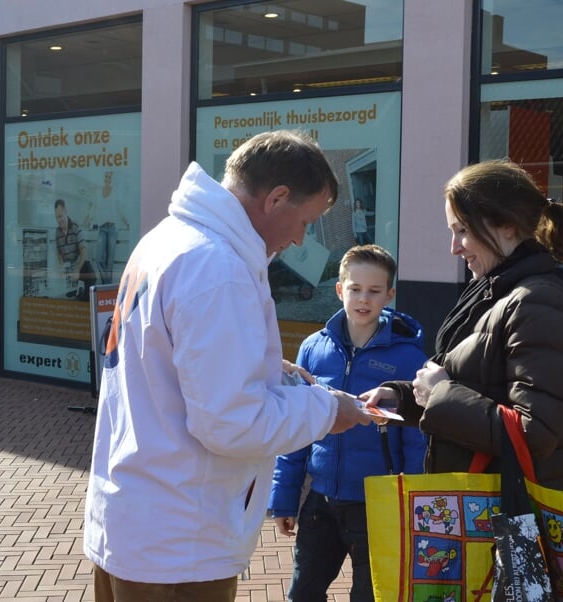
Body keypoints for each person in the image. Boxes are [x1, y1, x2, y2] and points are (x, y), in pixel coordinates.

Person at [84, 130, 371, 602]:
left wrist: (259, 366)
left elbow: (162, 358)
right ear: (276, 198)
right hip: (181, 540)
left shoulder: (167, 240)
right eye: (306, 220)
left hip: (136, 518)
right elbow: (231, 424)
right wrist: (327, 410)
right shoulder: (217, 267)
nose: (301, 239)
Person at [364, 159, 563, 492]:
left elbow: (534, 433)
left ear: (507, 226)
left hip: (514, 517)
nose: (454, 248)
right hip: (484, 506)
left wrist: (439, 394)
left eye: (463, 230)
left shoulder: (538, 302)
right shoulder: (495, 289)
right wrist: (402, 398)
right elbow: (473, 386)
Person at [268, 244, 428, 602]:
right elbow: (296, 427)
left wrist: (411, 503)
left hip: (377, 506)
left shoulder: (408, 356)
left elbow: (416, 439)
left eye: (374, 291)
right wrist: (284, 499)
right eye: (355, 288)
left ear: (390, 294)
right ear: (340, 290)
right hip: (320, 503)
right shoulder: (313, 348)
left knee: (370, 596)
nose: (363, 299)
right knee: (302, 594)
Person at [84, 170, 132, 285]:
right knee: (99, 259)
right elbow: (92, 211)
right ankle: (107, 284)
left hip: (112, 229)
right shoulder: (98, 193)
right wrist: (84, 222)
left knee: (110, 261)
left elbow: (120, 211)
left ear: (112, 179)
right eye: (106, 176)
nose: (108, 178)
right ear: (103, 177)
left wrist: (127, 223)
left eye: (110, 176)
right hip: (102, 229)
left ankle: (107, 286)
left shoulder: (115, 193)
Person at [54, 198, 96, 300]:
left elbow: (83, 251)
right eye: (57, 218)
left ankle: (86, 300)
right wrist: (62, 266)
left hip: (79, 265)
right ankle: (77, 293)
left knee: (91, 276)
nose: (59, 220)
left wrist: (77, 269)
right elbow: (59, 253)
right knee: (68, 295)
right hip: (68, 266)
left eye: (60, 216)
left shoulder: (76, 228)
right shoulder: (57, 232)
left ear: (65, 212)